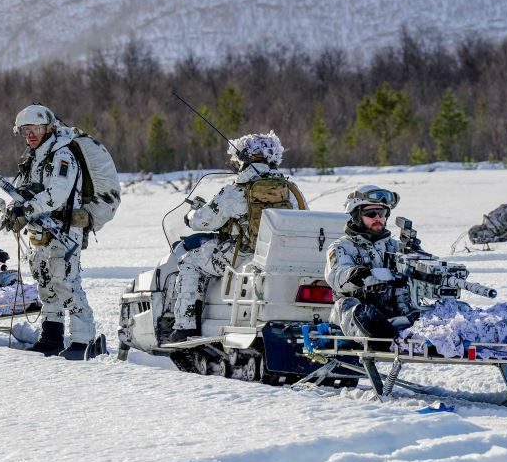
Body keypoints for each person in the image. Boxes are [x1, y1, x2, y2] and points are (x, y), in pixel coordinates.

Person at [168, 132, 306, 343]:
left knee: (190, 262)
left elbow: (203, 222)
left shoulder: (236, 191)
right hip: (282, 257)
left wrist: (190, 216)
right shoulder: (292, 191)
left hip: (241, 255)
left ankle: (185, 327)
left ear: (244, 159)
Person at [7, 104, 95, 360]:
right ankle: (51, 338)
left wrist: (27, 209)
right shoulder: (33, 158)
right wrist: (15, 209)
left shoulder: (62, 154)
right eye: (26, 130)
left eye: (35, 129)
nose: (30, 135)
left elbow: (57, 193)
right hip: (40, 230)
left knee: (66, 283)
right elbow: (23, 189)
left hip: (64, 230)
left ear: (49, 129)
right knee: (45, 283)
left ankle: (83, 341)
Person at [324, 184, 412, 349]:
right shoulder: (341, 247)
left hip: (394, 312)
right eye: (371, 214)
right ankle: (377, 332)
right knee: (354, 307)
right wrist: (355, 274)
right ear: (357, 216)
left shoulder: (396, 247)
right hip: (354, 314)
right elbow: (336, 275)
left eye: (382, 213)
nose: (378, 217)